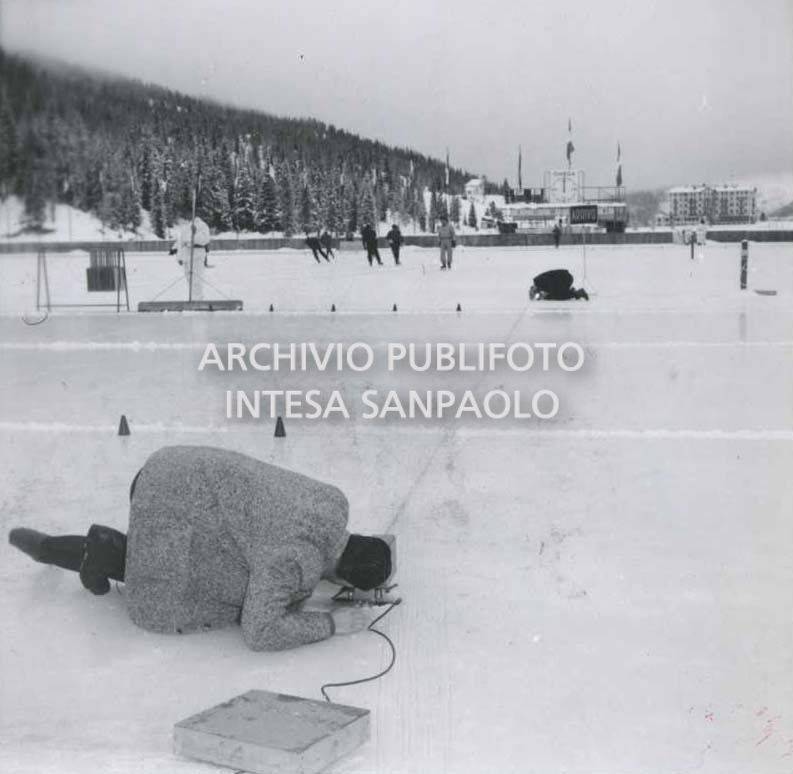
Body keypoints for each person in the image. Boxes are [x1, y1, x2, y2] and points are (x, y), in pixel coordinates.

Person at [8, 446, 393, 652]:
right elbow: (260, 631)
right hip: (174, 507)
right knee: (189, 590)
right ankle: (89, 551)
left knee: (217, 556)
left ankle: (88, 548)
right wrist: (329, 623)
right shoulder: (292, 560)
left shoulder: (332, 503)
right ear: (342, 575)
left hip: (169, 470)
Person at [169, 217, 211, 301]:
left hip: (197, 253)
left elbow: (205, 240)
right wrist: (179, 256)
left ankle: (197, 299)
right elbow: (181, 242)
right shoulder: (185, 227)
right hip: (187, 254)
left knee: (196, 278)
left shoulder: (203, 226)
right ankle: (193, 297)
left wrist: (194, 234)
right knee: (188, 277)